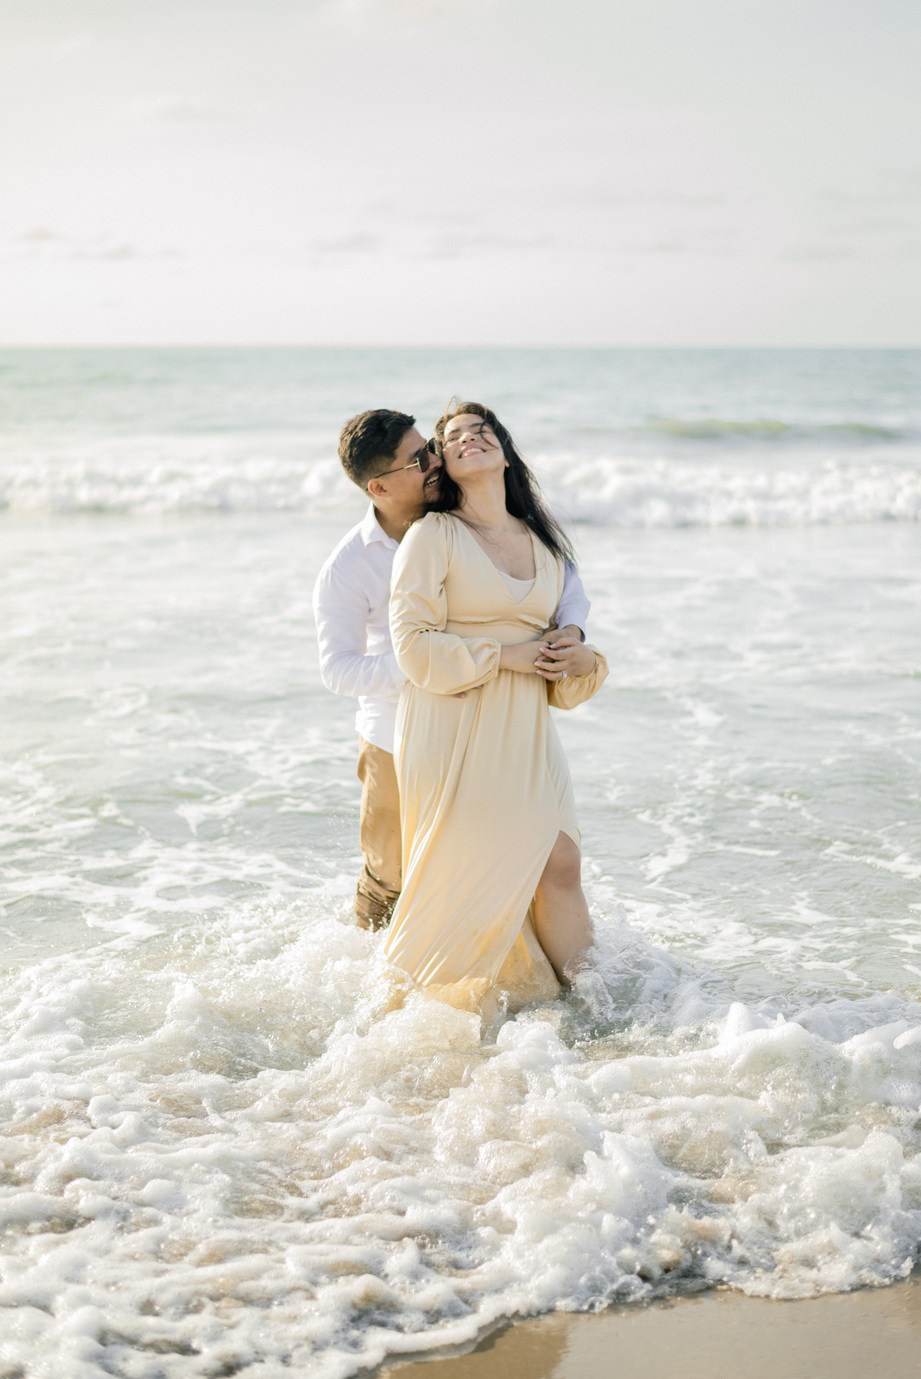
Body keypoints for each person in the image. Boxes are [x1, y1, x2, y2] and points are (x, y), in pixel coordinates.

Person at [312, 408, 591, 931]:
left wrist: (571, 631)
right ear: (379, 487)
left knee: (503, 864)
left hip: (485, 729)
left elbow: (559, 576)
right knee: (393, 876)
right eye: (418, 459)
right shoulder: (349, 566)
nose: (435, 460)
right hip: (396, 739)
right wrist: (430, 661)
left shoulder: (465, 515)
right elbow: (338, 669)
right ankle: (371, 981)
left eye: (430, 448)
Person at [383, 402, 608, 1014]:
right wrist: (507, 657)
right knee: (473, 877)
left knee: (559, 862)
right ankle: (410, 1008)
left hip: (526, 729)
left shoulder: (545, 545)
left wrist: (583, 660)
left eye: (481, 431)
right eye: (452, 437)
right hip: (454, 720)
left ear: (505, 453)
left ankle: (596, 1007)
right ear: (445, 466)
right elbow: (412, 645)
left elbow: (564, 653)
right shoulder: (433, 536)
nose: (468, 439)